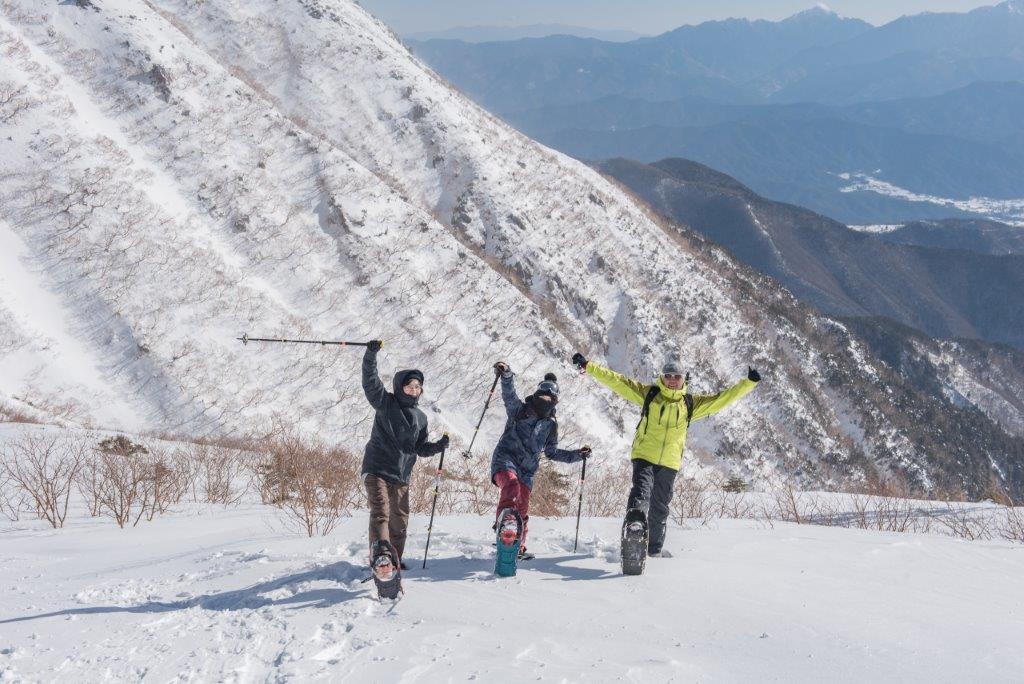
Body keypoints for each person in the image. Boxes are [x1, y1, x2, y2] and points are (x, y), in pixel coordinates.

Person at [572, 352, 760, 556]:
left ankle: (653, 550)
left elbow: (722, 399)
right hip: (644, 455)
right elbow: (617, 381)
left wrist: (748, 383)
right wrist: (589, 366)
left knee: (660, 506)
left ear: (683, 380)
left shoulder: (690, 404)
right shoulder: (649, 395)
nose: (672, 380)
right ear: (661, 378)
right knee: (641, 492)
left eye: (676, 377)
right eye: (668, 376)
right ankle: (634, 527)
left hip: (669, 462)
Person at [361, 340, 449, 571]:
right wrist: (371, 355)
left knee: (399, 521)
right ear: (400, 387)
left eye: (417, 387)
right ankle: (381, 556)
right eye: (409, 386)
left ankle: (395, 560)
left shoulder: (420, 418)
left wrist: (439, 446)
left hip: (401, 474)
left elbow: (419, 448)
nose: (413, 390)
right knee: (381, 512)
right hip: (377, 468)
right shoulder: (385, 403)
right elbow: (370, 383)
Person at [489, 362, 591, 557]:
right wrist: (507, 375)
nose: (544, 401)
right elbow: (509, 395)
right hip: (505, 459)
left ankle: (518, 545)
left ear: (554, 401)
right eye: (541, 397)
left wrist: (578, 455)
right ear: (535, 396)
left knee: (522, 508)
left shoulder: (550, 426)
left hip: (527, 470)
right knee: (511, 486)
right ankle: (503, 528)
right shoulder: (520, 410)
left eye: (549, 399)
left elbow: (552, 453)